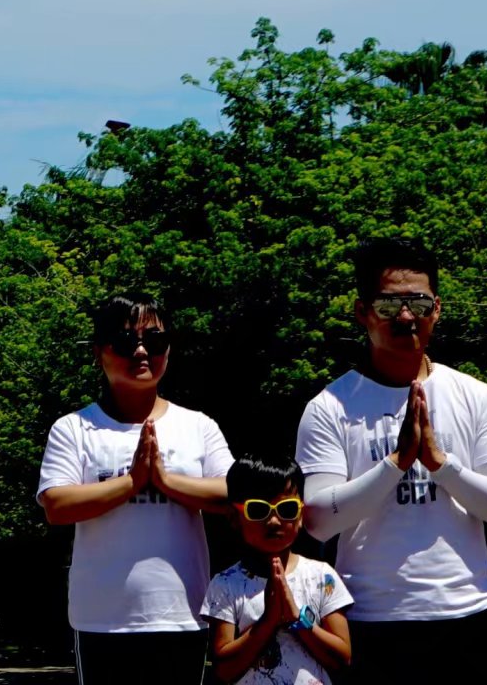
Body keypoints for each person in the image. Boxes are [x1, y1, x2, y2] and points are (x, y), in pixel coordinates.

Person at [295, 238, 487, 685]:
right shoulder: (330, 406)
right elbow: (319, 521)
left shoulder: (474, 396)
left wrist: (442, 464)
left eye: (417, 302)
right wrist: (396, 462)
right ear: (363, 312)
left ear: (436, 309)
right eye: (388, 304)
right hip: (371, 619)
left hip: (470, 615)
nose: (404, 317)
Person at [38, 292, 233, 684]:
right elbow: (57, 504)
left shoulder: (198, 426)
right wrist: (130, 484)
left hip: (181, 614)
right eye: (127, 341)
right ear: (99, 352)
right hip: (102, 620)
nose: (142, 351)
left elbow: (233, 497)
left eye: (155, 341)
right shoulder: (74, 428)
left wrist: (165, 481)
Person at [202, 454, 351, 685]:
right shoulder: (225, 584)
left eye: (287, 508)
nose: (273, 521)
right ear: (234, 517)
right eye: (259, 510)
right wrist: (268, 622)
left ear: (301, 515)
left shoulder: (322, 577)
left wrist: (297, 618)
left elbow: (342, 658)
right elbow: (223, 668)